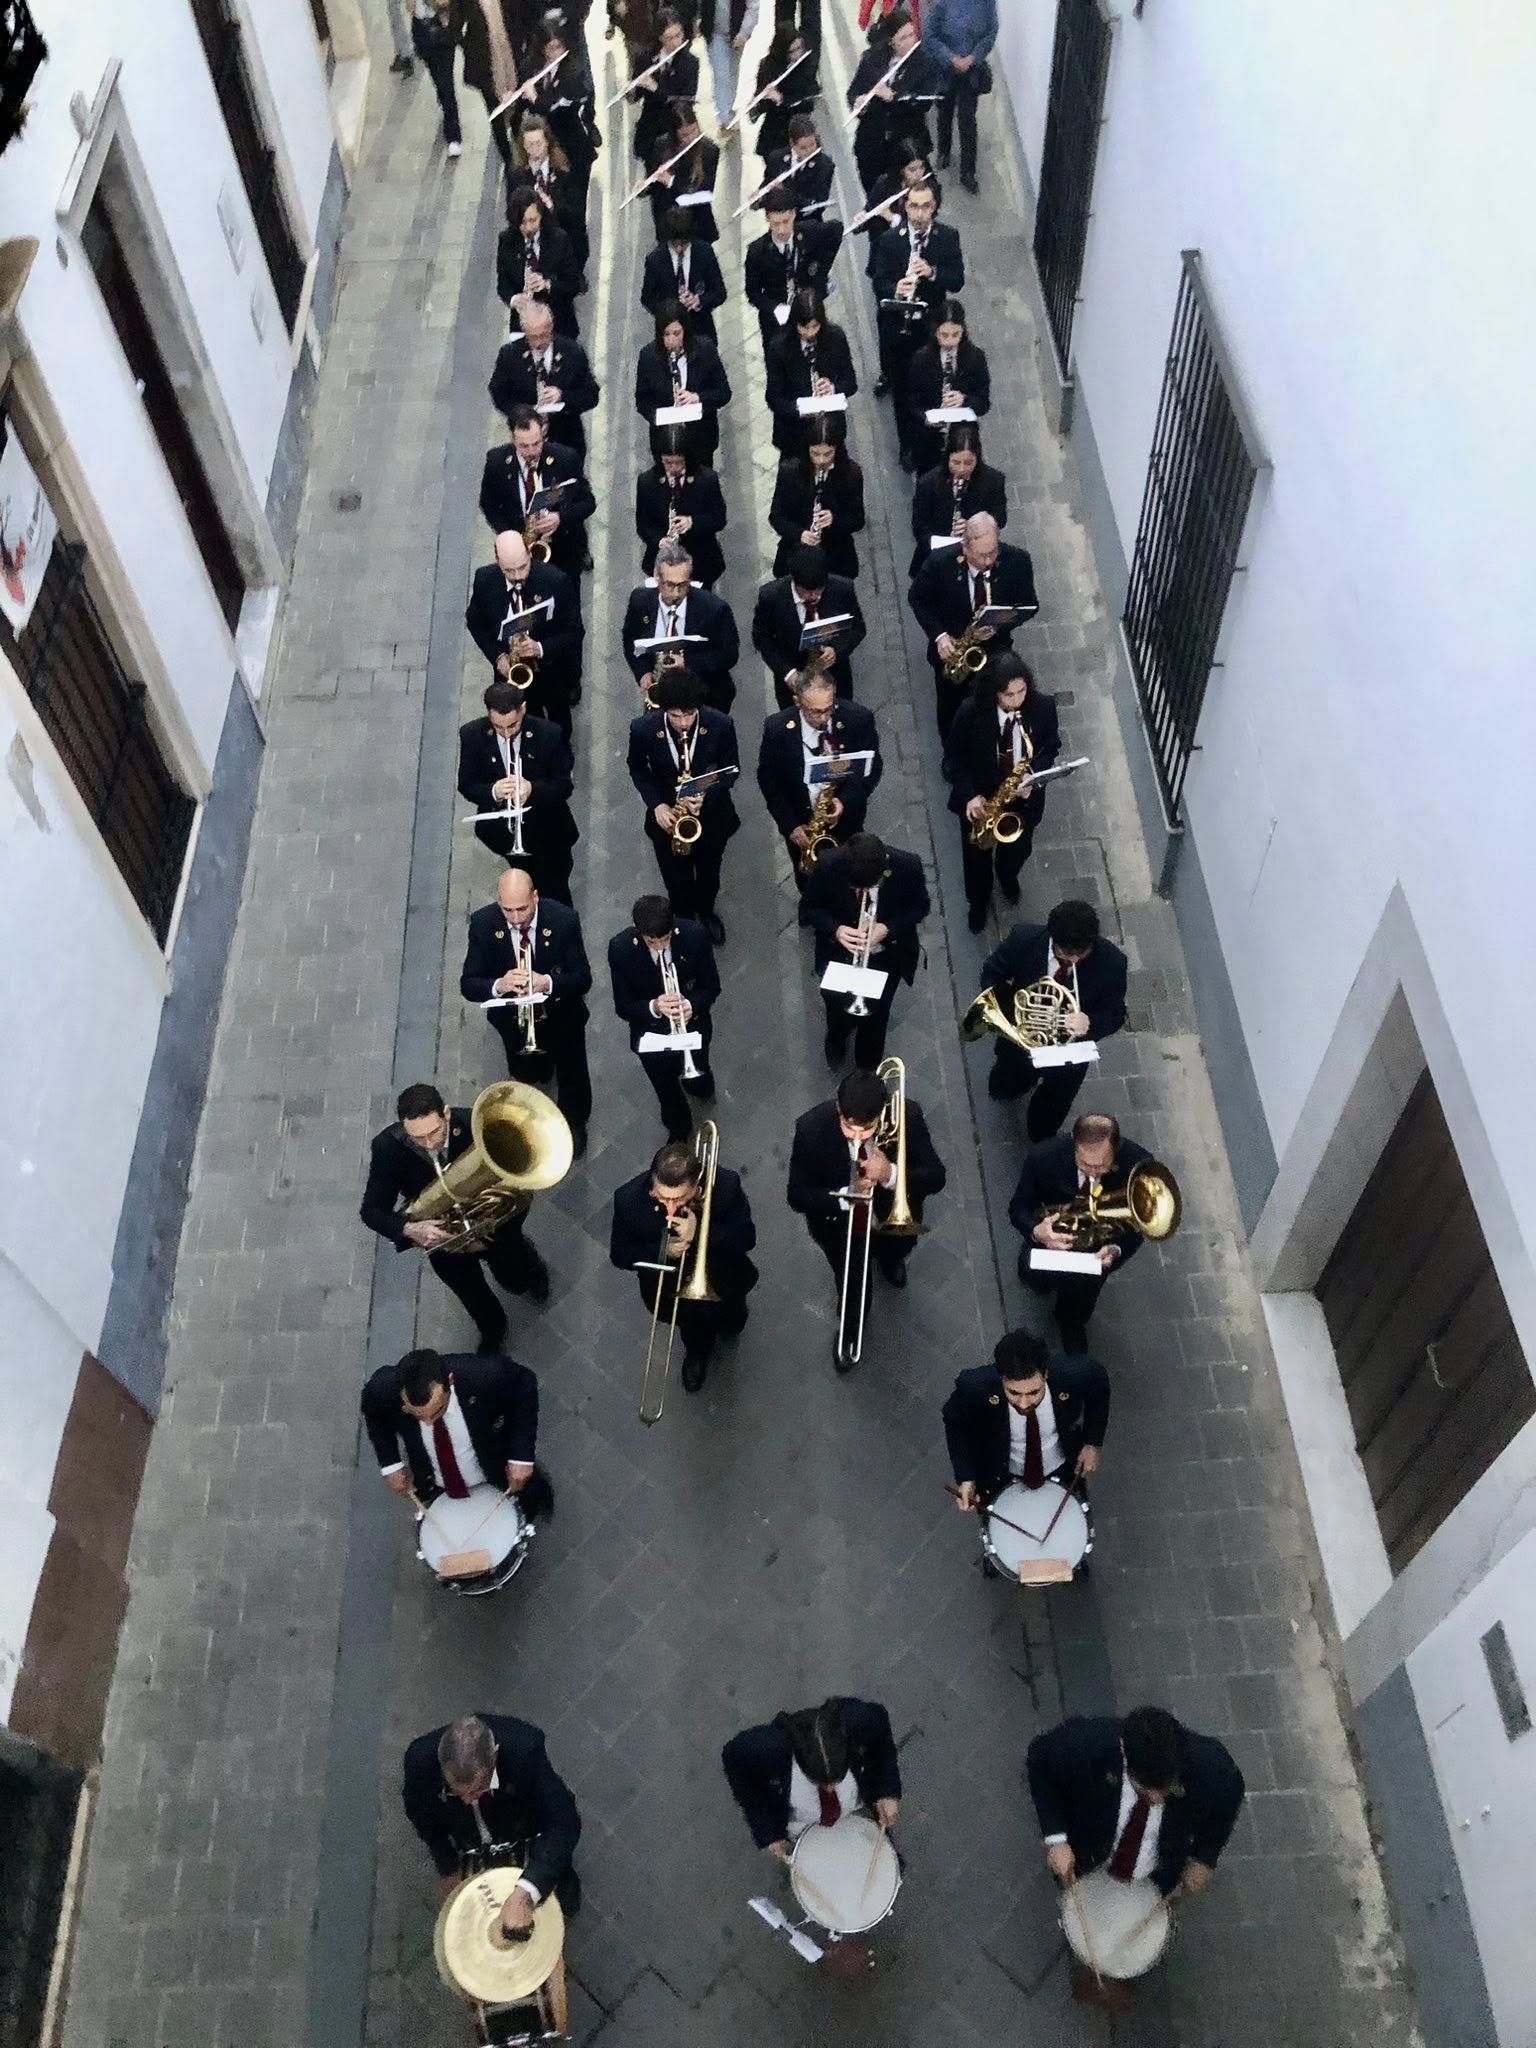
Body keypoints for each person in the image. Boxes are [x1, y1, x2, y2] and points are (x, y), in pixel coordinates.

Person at [360, 1082, 550, 1348]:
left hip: (494, 1232)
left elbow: (518, 1194)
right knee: (471, 1294)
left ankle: (532, 1272)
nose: (429, 1145)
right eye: (417, 1138)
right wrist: (409, 1229)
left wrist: (483, 1237)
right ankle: (493, 1329)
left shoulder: (478, 1127)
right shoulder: (387, 1147)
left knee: (516, 1277)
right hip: (442, 1241)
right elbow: (371, 1212)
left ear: (446, 1114)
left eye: (434, 1133)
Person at [787, 1069, 946, 1361]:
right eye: (849, 1127)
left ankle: (890, 1260)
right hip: (839, 1227)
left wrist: (890, 1174)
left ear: (882, 1113)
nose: (858, 1136)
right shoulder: (811, 1128)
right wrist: (849, 1195)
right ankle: (852, 1324)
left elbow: (936, 1177)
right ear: (838, 1109)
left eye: (867, 1128)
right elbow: (797, 1196)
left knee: (895, 1250)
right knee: (850, 1282)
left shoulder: (907, 1116)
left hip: (891, 1219)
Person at [1026, 1707, 1246, 1900]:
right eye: (1144, 1788)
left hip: (1159, 1873)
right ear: (1123, 1748)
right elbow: (1039, 1758)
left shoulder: (1211, 1765)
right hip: (1090, 1856)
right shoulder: (1087, 1742)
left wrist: (1204, 1857)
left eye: (1166, 1789)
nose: (1158, 1799)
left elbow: (1230, 1795)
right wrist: (1056, 1839)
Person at [459, 868, 593, 1153]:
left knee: (573, 1072)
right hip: (512, 1022)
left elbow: (582, 978)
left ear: (535, 897)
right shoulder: (483, 924)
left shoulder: (563, 920)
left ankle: (574, 1122)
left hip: (561, 1017)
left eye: (523, 909)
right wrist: (500, 984)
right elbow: (468, 984)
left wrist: (546, 982)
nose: (517, 919)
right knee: (526, 1072)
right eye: (508, 910)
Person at [610, 1137, 758, 1391]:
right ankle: (697, 1354)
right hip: (668, 1290)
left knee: (733, 1319)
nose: (669, 1208)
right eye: (661, 1197)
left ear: (697, 1187)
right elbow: (620, 1254)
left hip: (724, 1276)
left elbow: (746, 1238)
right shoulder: (628, 1200)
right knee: (691, 1328)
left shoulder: (725, 1185)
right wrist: (661, 1250)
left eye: (679, 1199)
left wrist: (699, 1232)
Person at [403, 1714, 582, 1924]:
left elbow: (564, 1821)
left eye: (478, 1789)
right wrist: (447, 1865)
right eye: (456, 1792)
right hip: (470, 1838)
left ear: (494, 1756)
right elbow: (422, 1817)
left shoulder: (525, 1750)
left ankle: (561, 1884)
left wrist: (528, 1890)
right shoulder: (419, 1764)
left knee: (556, 1876)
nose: (468, 1800)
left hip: (520, 1827)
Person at [980, 899, 1128, 1135]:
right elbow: (991, 974)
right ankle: (1007, 1089)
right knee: (1008, 1082)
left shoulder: (1112, 963)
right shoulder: (1024, 939)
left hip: (1068, 1056)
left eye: (1082, 953)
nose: (1074, 961)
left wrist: (1091, 1023)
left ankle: (1039, 1134)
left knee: (1053, 1105)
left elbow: (1116, 1014)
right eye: (1065, 953)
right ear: (1052, 938)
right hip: (1020, 1042)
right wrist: (1013, 1012)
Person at [1009, 1113, 1153, 1351]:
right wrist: (1037, 1231)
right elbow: (1018, 1208)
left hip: (1094, 1256)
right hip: (1049, 1245)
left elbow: (1138, 1224)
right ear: (1074, 1145)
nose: (1093, 1173)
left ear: (1116, 1149)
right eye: (1085, 1164)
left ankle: (1071, 1322)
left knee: (1078, 1304)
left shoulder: (1139, 1166)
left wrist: (1116, 1250)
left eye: (1102, 1165)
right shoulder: (1043, 1158)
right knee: (1035, 1280)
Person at [362, 1345, 553, 1519]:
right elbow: (373, 1411)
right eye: (418, 1416)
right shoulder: (384, 1387)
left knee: (527, 1502)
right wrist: (391, 1464)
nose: (429, 1423)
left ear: (450, 1381)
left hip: (494, 1466)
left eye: (437, 1411)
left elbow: (525, 1383)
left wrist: (521, 1458)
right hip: (434, 1480)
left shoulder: (483, 1373)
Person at [943, 653, 1061, 930]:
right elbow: (952, 761)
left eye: (1022, 692)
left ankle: (1008, 877)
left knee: (1018, 851)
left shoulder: (1042, 707)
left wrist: (1034, 777)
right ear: (995, 692)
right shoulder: (971, 712)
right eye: (1009, 695)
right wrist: (970, 795)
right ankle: (978, 903)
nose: (1017, 701)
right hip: (982, 802)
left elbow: (1051, 746)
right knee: (975, 861)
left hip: (1023, 800)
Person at [626, 669, 740, 942]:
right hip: (669, 818)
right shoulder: (643, 729)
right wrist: (657, 806)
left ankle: (706, 911)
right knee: (675, 878)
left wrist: (707, 796)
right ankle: (685, 918)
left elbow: (731, 770)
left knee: (710, 872)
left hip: (711, 817)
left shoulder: (720, 724)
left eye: (688, 714)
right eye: (675, 716)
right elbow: (638, 769)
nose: (683, 723)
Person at [801, 830, 929, 1068]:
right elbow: (810, 909)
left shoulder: (908, 866)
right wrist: (837, 929)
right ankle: (836, 1038)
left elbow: (920, 907)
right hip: (838, 956)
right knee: (835, 1006)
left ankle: (868, 1064)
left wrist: (887, 928)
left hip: (885, 958)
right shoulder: (828, 864)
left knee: (878, 1016)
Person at [942, 1328, 1109, 1509]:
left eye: (1033, 1392)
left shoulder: (1073, 1374)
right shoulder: (974, 1386)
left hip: (1062, 1463)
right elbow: (954, 1422)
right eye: (1013, 1392)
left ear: (1045, 1375)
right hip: (1000, 1471)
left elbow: (1099, 1384)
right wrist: (966, 1476)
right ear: (1001, 1378)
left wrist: (1092, 1442)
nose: (1023, 1403)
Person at [908, 510, 1038, 736]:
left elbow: (1029, 605)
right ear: (965, 547)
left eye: (993, 552)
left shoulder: (1017, 561)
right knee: (950, 706)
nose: (989, 561)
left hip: (996, 649)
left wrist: (1000, 623)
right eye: (982, 555)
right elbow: (917, 598)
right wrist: (939, 636)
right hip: (953, 651)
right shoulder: (940, 562)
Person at [722, 1698, 902, 1856]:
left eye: (836, 1780)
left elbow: (881, 1736)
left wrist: (887, 1790)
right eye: (819, 1782)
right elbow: (735, 1764)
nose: (830, 1789)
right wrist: (768, 1829)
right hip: (800, 1823)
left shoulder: (858, 1720)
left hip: (856, 1805)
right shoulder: (766, 1748)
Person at [608, 895, 721, 1138]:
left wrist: (691, 1004)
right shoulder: (621, 949)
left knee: (699, 1068)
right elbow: (623, 1005)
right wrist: (655, 1006)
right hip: (651, 1033)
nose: (660, 947)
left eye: (666, 939)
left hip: (693, 1025)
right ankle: (677, 1125)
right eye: (651, 941)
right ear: (639, 934)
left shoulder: (695, 935)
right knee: (664, 1086)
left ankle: (698, 1081)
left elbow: (711, 987)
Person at [756, 670, 882, 885]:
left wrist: (843, 801)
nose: (824, 718)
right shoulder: (777, 729)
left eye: (828, 709)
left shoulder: (858, 719)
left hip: (846, 822)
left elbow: (871, 768)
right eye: (815, 712)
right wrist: (790, 825)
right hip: (804, 827)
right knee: (809, 882)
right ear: (797, 702)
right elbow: (769, 781)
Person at [457, 681, 578, 900]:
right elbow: (467, 785)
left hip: (549, 832)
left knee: (556, 889)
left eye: (512, 726)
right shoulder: (471, 735)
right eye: (498, 727)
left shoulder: (549, 734)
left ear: (522, 709)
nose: (505, 734)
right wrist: (493, 791)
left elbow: (563, 785)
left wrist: (532, 789)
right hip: (503, 834)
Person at [465, 529, 584, 738]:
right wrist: (498, 656)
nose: (518, 576)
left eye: (523, 567)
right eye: (510, 571)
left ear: (530, 554)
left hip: (552, 670)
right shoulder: (485, 580)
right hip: (511, 671)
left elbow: (574, 631)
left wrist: (539, 648)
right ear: (497, 560)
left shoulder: (556, 581)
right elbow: (476, 623)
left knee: (559, 718)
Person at [871, 182, 963, 432]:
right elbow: (879, 280)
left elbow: (957, 281)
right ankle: (906, 445)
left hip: (931, 326)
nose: (920, 214)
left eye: (926, 207)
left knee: (929, 385)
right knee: (901, 389)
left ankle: (930, 431)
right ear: (906, 207)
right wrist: (896, 289)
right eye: (914, 206)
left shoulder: (947, 237)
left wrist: (932, 273)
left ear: (934, 207)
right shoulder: (890, 240)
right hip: (899, 327)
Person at [478, 407, 596, 584]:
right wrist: (511, 536)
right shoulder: (497, 462)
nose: (532, 451)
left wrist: (560, 518)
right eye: (524, 446)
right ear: (512, 438)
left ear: (544, 433)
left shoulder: (565, 459)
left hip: (564, 550)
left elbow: (587, 502)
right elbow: (488, 504)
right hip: (521, 554)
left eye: (537, 443)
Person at [621, 539, 740, 711]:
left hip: (705, 694)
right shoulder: (640, 601)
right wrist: (643, 672)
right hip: (661, 693)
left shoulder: (714, 609)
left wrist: (687, 662)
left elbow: (728, 654)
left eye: (682, 585)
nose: (676, 593)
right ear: (656, 578)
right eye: (669, 585)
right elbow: (631, 640)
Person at [751, 545, 867, 707]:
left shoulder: (842, 589)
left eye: (818, 590)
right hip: (793, 685)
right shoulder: (771, 597)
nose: (813, 596)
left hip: (835, 680)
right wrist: (788, 673)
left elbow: (857, 629)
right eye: (806, 592)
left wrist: (836, 650)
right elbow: (762, 639)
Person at [489, 300, 602, 462]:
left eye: (543, 335)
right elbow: (499, 394)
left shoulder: (572, 352)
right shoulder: (510, 355)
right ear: (524, 332)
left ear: (551, 327)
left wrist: (563, 396)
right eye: (533, 337)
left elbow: (591, 395)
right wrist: (523, 414)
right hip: (527, 445)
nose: (539, 342)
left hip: (566, 440)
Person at [846, 9, 943, 195]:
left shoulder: (925, 62)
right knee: (875, 195)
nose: (910, 41)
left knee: (917, 194)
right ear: (891, 41)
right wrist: (859, 102)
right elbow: (854, 90)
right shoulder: (872, 58)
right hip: (872, 143)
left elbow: (924, 102)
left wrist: (894, 96)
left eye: (912, 34)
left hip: (906, 143)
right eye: (902, 38)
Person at [743, 196, 843, 361]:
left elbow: (837, 229)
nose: (782, 230)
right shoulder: (757, 251)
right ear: (767, 218)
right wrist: (774, 308)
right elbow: (752, 292)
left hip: (808, 310)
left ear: (794, 215)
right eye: (776, 224)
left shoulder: (809, 232)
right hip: (777, 319)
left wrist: (821, 272)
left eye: (786, 221)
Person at [634, 301, 733, 464]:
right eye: (666, 334)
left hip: (700, 439)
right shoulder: (648, 357)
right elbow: (643, 401)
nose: (672, 341)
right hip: (666, 444)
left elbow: (724, 393)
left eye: (677, 333)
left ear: (685, 331)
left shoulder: (705, 349)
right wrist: (662, 417)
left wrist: (698, 398)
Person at [770, 415, 866, 579]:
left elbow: (857, 519)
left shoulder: (851, 473)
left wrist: (834, 520)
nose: (821, 460)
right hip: (796, 554)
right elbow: (776, 517)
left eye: (828, 454)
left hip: (835, 557)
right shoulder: (790, 472)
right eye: (815, 454)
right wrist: (800, 534)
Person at [764, 288, 858, 453]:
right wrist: (801, 408)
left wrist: (833, 388)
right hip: (794, 432)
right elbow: (774, 398)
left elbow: (851, 382)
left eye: (815, 326)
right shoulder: (779, 347)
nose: (810, 333)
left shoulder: (835, 338)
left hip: (829, 431)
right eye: (804, 327)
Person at [909, 419, 1005, 578]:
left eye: (969, 463)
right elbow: (919, 528)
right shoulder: (928, 483)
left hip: (976, 558)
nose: (961, 469)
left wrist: (976, 526)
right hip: (936, 559)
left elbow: (1000, 518)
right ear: (947, 458)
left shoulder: (993, 480)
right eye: (955, 462)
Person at [904, 295, 990, 472]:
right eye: (944, 335)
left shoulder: (975, 358)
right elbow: (911, 402)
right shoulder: (921, 359)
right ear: (935, 332)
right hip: (929, 440)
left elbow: (983, 403)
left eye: (955, 334)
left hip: (963, 437)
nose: (950, 341)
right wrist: (928, 418)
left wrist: (964, 400)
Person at [635, 426, 729, 586]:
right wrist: (659, 541)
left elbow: (719, 518)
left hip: (700, 561)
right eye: (668, 463)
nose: (673, 469)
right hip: (665, 564)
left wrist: (693, 522)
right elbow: (643, 525)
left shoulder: (706, 479)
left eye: (678, 462)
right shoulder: (647, 482)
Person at [924, 0, 995, 192]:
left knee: (967, 120)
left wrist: (973, 58)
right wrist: (951, 58)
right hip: (946, 69)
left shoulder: (986, 3)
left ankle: (968, 172)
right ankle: (944, 150)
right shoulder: (941, 3)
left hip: (971, 70)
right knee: (944, 111)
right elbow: (929, 36)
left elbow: (990, 33)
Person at [497, 184, 583, 338]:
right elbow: (503, 285)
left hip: (559, 325)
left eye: (533, 220)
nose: (529, 227)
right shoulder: (507, 242)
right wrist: (514, 299)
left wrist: (547, 285)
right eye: (522, 222)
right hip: (523, 328)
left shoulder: (559, 239)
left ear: (541, 216)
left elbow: (574, 283)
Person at [508, 114, 587, 271]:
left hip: (565, 247)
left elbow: (576, 213)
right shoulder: (517, 175)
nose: (535, 150)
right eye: (529, 145)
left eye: (539, 144)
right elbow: (511, 213)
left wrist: (552, 206)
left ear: (547, 142)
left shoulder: (563, 169)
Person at [641, 208, 728, 345]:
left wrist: (699, 301)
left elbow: (719, 292)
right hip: (669, 334)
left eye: (684, 244)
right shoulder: (655, 260)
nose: (679, 249)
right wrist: (670, 309)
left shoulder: (704, 252)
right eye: (674, 244)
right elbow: (647, 298)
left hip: (702, 330)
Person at [458, 0, 526, 167]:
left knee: (517, 112)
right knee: (496, 114)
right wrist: (470, 46)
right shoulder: (467, 4)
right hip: (484, 68)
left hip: (511, 60)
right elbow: (455, 29)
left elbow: (520, 22)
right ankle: (508, 160)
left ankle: (523, 155)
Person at [643, 101, 720, 243]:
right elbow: (654, 184)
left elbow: (704, 194)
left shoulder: (709, 150)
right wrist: (644, 187)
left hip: (696, 224)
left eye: (694, 130)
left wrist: (671, 181)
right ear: (674, 134)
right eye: (684, 135)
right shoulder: (661, 145)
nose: (691, 138)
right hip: (668, 223)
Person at [630, 9, 698, 162]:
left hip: (676, 128)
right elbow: (635, 97)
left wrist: (656, 88)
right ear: (660, 37)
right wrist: (633, 89)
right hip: (650, 126)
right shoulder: (646, 58)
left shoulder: (690, 63)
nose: (675, 42)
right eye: (669, 38)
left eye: (678, 35)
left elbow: (685, 100)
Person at [750, 25, 817, 166]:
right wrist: (757, 104)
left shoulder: (807, 65)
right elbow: (762, 101)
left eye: (801, 48)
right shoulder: (768, 65)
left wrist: (781, 99)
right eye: (793, 51)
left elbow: (807, 101)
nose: (798, 53)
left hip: (797, 131)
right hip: (773, 131)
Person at [412, 2, 463, 156]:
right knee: (438, 80)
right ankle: (443, 100)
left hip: (442, 26)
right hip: (421, 28)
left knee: (446, 83)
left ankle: (454, 135)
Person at [761, 112, 837, 216]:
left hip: (808, 223)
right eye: (803, 148)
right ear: (792, 144)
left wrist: (784, 192)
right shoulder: (776, 157)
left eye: (812, 145)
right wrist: (758, 198)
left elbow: (818, 204)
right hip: (779, 221)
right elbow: (767, 183)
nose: (809, 151)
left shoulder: (824, 165)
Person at [701, 0, 760, 127]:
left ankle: (728, 107)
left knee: (733, 72)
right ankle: (724, 118)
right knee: (720, 75)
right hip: (714, 34)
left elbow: (753, 7)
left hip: (737, 34)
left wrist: (744, 32)